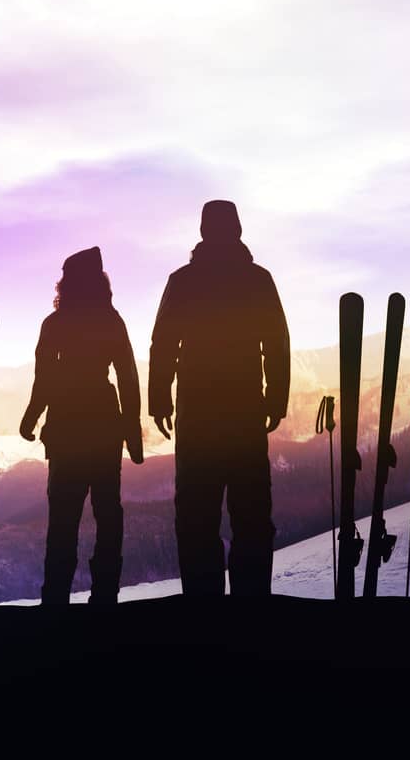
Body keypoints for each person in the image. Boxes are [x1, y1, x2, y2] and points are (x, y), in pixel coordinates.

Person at [149, 200, 290, 596]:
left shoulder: (183, 280)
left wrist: (160, 398)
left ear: (203, 231)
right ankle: (252, 600)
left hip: (198, 412)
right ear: (238, 230)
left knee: (196, 514)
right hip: (244, 410)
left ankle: (202, 602)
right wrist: (276, 396)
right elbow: (276, 343)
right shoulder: (258, 279)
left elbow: (162, 344)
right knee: (251, 513)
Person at [19, 247, 143, 605]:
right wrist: (131, 431)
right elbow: (127, 377)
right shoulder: (112, 320)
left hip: (66, 424)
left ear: (67, 284)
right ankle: (106, 593)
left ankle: (55, 597)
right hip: (105, 423)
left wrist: (32, 416)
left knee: (62, 518)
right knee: (108, 512)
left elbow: (44, 378)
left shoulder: (55, 323)